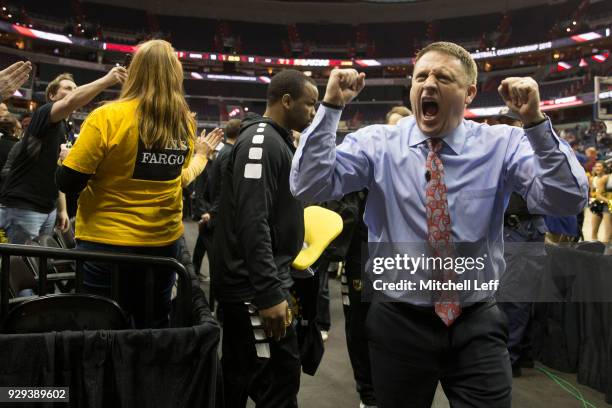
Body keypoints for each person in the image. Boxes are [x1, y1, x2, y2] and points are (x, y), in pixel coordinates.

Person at [290, 42, 588, 407]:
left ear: (469, 93)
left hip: (475, 320)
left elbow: (567, 199)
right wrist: (332, 106)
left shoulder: (502, 143)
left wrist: (537, 124)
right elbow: (308, 185)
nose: (429, 84)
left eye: (443, 77)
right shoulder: (378, 143)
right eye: (421, 77)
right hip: (399, 321)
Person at [56, 39, 223, 328]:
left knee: (99, 330)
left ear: (134, 72)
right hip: (161, 246)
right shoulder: (184, 123)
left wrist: (66, 159)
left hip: (105, 244)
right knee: (152, 328)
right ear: (176, 74)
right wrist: (201, 157)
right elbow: (178, 180)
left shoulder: (107, 117)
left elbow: (69, 183)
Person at [214, 69, 317, 408]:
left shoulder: (275, 138)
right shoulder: (262, 140)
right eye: (310, 105)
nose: (313, 113)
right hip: (254, 289)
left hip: (257, 282)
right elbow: (252, 219)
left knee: (244, 376)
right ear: (286, 101)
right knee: (278, 378)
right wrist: (269, 292)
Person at [0, 69, 125, 244]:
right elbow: (69, 102)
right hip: (24, 206)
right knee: (20, 266)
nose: (73, 91)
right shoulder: (44, 113)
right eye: (68, 88)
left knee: (39, 266)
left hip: (48, 207)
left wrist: (61, 209)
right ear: (52, 95)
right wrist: (107, 80)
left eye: (76, 87)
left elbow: (57, 170)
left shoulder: (66, 128)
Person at [588, 161, 609, 241]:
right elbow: (591, 192)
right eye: (596, 166)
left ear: (604, 168)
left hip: (606, 205)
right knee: (594, 231)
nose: (597, 168)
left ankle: (607, 250)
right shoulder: (592, 179)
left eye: (599, 166)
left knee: (608, 230)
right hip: (596, 205)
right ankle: (595, 248)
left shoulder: (607, 178)